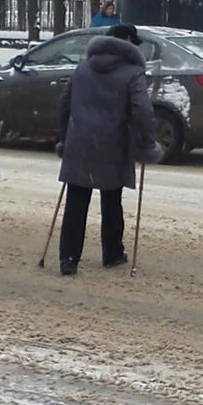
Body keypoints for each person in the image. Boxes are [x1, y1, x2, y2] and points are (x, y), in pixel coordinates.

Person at [53, 25, 162, 276]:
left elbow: (64, 103)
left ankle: (68, 259)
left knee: (76, 201)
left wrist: (63, 136)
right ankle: (112, 253)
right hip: (113, 144)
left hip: (80, 142)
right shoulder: (133, 73)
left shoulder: (82, 68)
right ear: (126, 43)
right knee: (112, 199)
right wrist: (146, 142)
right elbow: (142, 111)